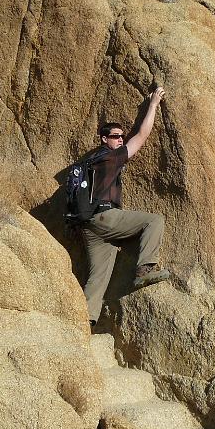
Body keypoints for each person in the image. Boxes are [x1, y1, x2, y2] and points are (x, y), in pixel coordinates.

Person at [81, 86, 170, 325]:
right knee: (155, 221)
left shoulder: (90, 160)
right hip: (105, 217)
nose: (120, 139)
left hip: (89, 226)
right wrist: (153, 105)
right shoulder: (110, 157)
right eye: (115, 136)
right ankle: (144, 271)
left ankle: (84, 322)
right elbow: (141, 135)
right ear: (104, 139)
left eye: (121, 136)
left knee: (98, 277)